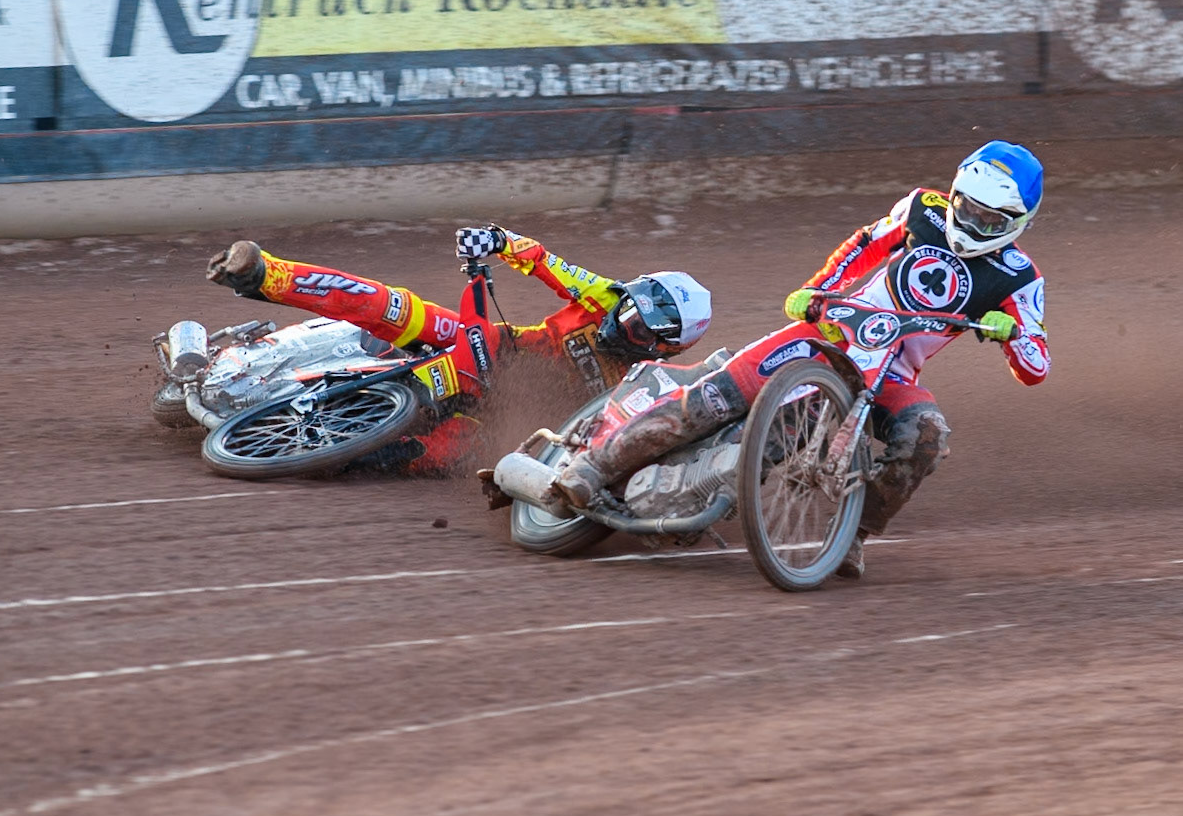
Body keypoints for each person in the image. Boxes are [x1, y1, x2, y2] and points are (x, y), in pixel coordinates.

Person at [549, 141, 1051, 577]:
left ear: (1019, 222)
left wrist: (1015, 335)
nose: (972, 221)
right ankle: (591, 468)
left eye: (990, 219)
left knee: (926, 437)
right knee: (714, 398)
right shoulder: (923, 208)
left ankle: (854, 533)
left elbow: (1036, 366)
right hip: (830, 332)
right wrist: (817, 290)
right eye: (967, 206)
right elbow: (865, 245)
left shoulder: (1020, 278)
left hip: (890, 373)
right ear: (955, 192)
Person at [205, 225, 719, 471]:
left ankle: (309, 446)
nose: (623, 324)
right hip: (491, 345)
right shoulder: (604, 293)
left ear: (666, 348)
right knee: (392, 306)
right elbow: (544, 260)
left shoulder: (647, 380)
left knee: (437, 457)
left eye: (640, 330)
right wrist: (494, 241)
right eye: (629, 310)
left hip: (500, 418)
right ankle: (261, 273)